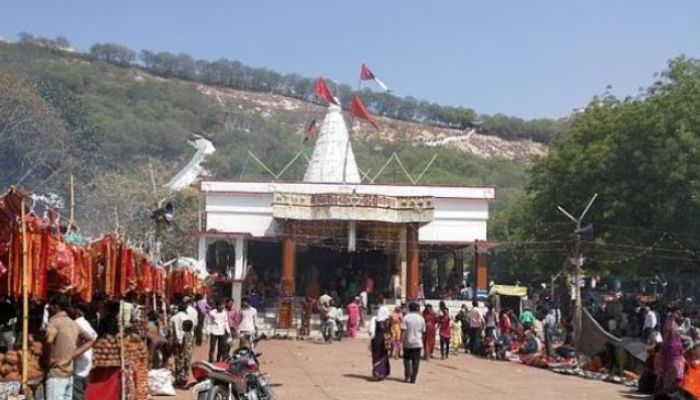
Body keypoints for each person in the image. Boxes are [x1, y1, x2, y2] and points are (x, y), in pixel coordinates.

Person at [45, 295, 95, 400]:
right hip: (69, 374)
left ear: (56, 307)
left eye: (50, 305)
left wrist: (49, 359)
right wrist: (72, 355)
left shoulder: (54, 322)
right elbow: (91, 340)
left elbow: (49, 340)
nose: (48, 308)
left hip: (56, 374)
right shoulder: (73, 323)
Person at [67, 305, 98, 400]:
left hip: (79, 366)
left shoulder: (77, 324)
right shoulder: (84, 322)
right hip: (85, 364)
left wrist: (74, 354)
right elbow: (94, 337)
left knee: (77, 394)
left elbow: (91, 340)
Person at [658, 316, 685, 394]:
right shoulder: (679, 344)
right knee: (675, 382)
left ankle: (665, 394)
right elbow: (681, 354)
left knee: (666, 382)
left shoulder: (664, 344)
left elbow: (661, 355)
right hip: (676, 366)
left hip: (666, 366)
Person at [401, 302, 425, 384]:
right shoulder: (421, 318)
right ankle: (413, 377)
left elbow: (403, 330)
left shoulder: (406, 318)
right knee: (416, 360)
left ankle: (407, 375)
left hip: (407, 341)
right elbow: (423, 331)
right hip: (418, 342)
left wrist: (402, 341)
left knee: (407, 360)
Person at [369, 306, 391, 380]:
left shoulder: (374, 319)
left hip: (376, 340)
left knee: (376, 355)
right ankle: (382, 372)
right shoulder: (388, 321)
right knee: (383, 355)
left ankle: (376, 372)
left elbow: (371, 331)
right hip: (385, 340)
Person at [174, 319, 195, 388]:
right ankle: (185, 381)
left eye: (183, 326)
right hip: (190, 354)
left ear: (185, 327)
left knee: (182, 367)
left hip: (184, 353)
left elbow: (184, 344)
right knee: (187, 367)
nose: (182, 327)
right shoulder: (192, 335)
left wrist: (181, 352)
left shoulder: (185, 335)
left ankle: (182, 382)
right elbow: (192, 345)